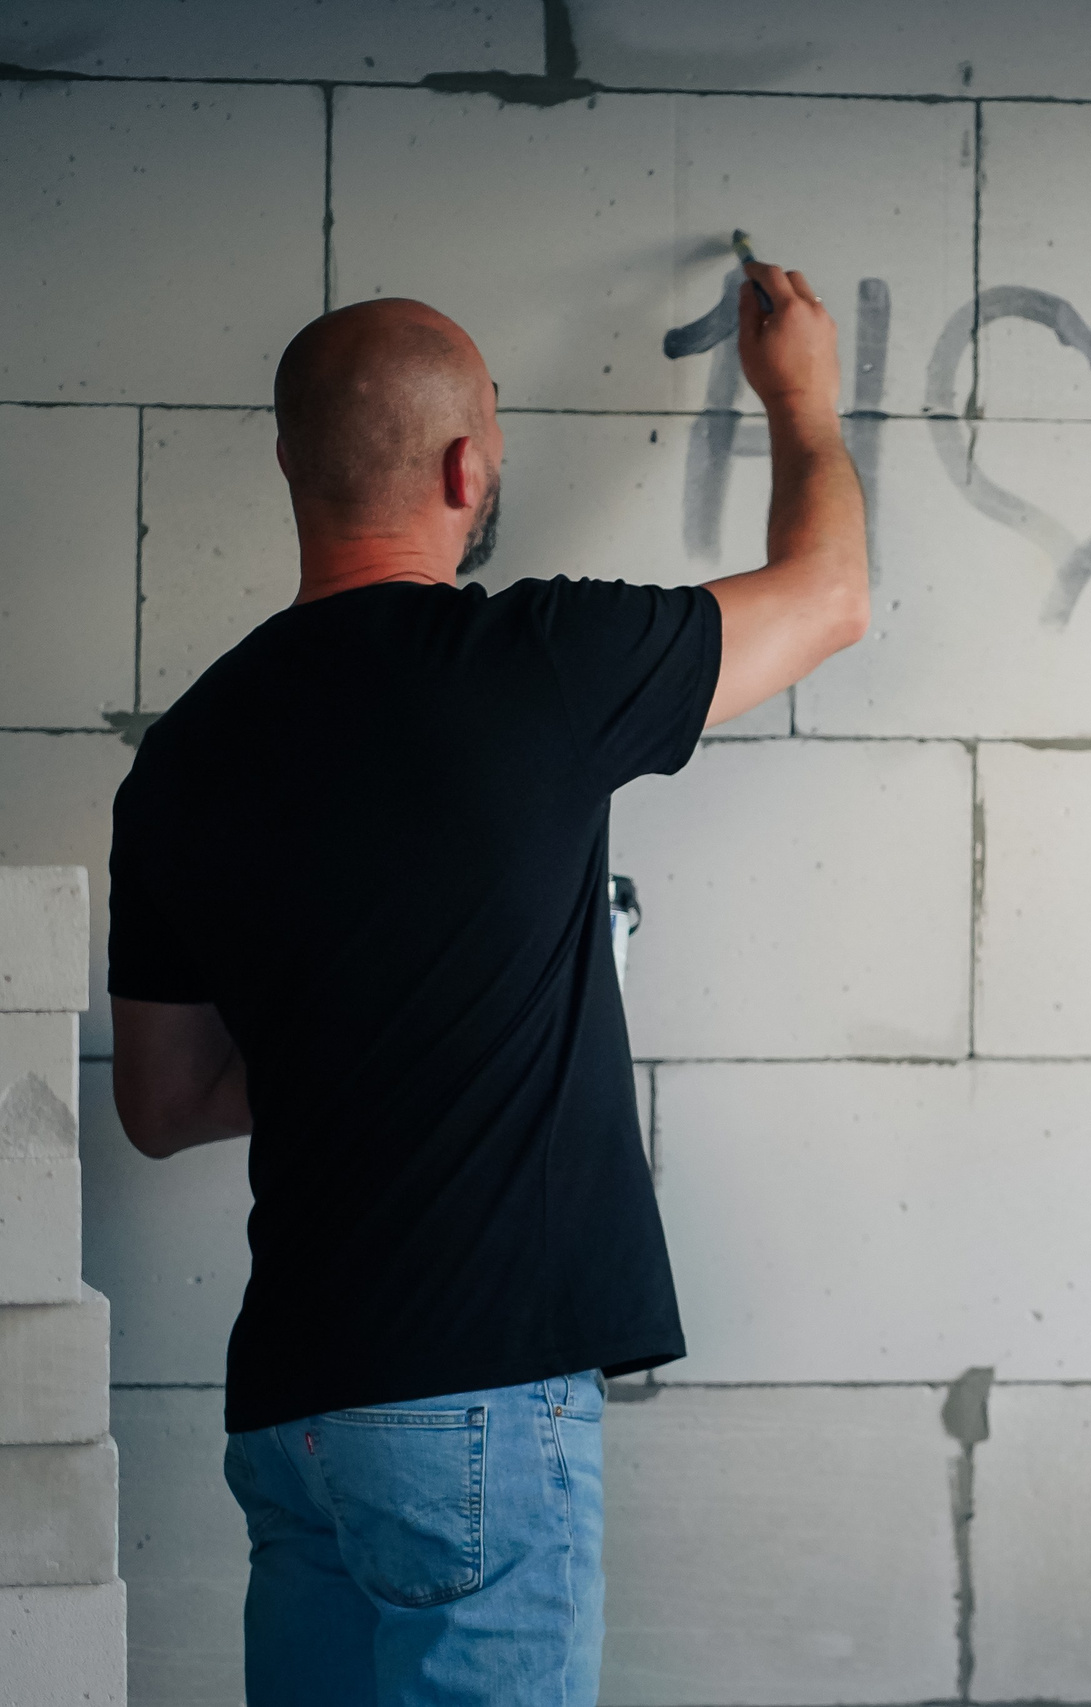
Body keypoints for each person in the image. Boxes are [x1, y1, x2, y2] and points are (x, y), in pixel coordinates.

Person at [105, 260, 864, 1706]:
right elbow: (829, 596)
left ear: (290, 466)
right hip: (473, 1406)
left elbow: (165, 1098)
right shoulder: (536, 661)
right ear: (469, 467)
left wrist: (362, 1017)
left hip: (293, 1411)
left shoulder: (186, 753)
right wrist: (802, 400)